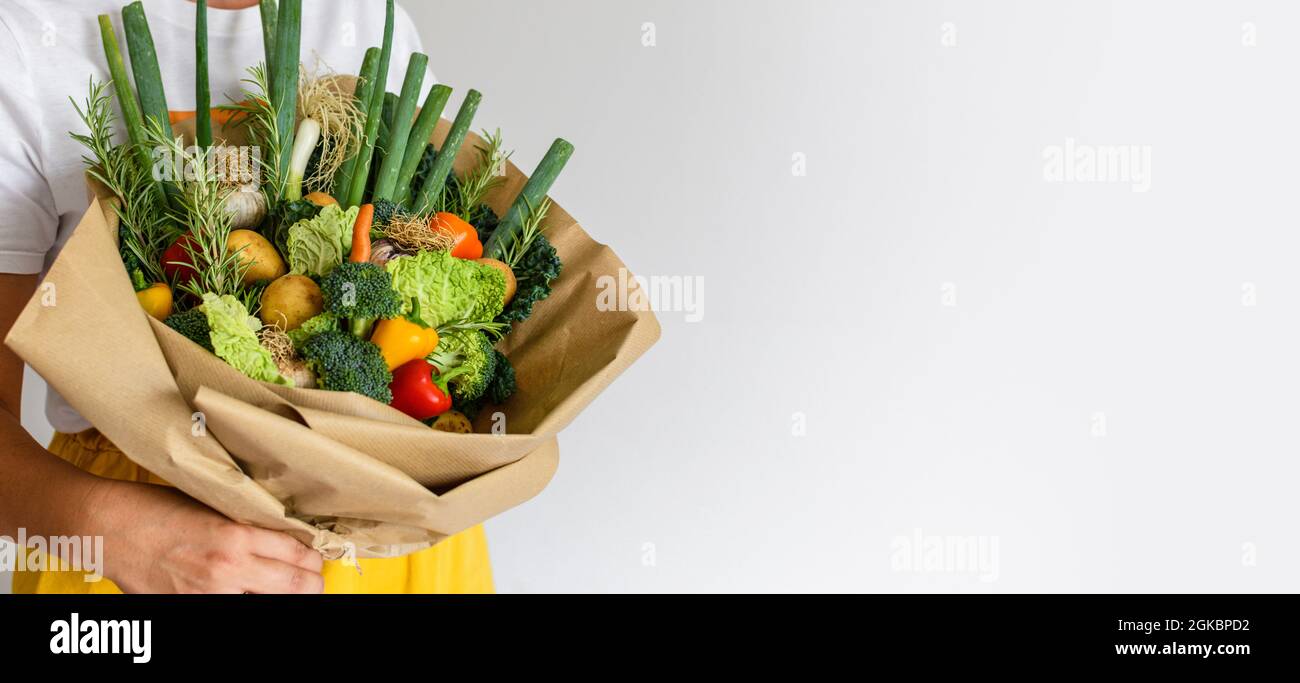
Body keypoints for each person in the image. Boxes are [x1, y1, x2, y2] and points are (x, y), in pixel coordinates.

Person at [0, 0, 494, 594]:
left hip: (385, 534)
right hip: (146, 535)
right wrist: (109, 530)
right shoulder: (29, 35)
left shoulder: (360, 16)